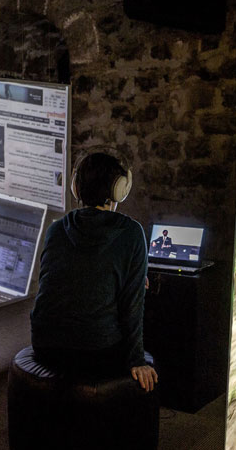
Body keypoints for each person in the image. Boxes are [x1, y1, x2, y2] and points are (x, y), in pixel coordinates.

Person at [30, 152, 158, 392]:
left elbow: (63, 282)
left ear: (76, 188)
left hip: (45, 347)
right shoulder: (131, 233)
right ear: (119, 190)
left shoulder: (57, 229)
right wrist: (137, 360)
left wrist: (129, 279)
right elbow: (132, 307)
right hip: (96, 354)